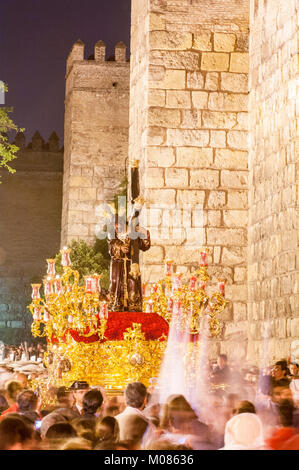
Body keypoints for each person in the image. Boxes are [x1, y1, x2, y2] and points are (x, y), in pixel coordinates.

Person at [108, 218, 150, 312]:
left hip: (132, 266)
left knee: (133, 286)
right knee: (116, 284)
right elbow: (111, 246)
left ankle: (134, 307)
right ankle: (116, 305)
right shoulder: (112, 234)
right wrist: (120, 248)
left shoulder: (134, 233)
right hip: (117, 267)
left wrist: (143, 232)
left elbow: (145, 246)